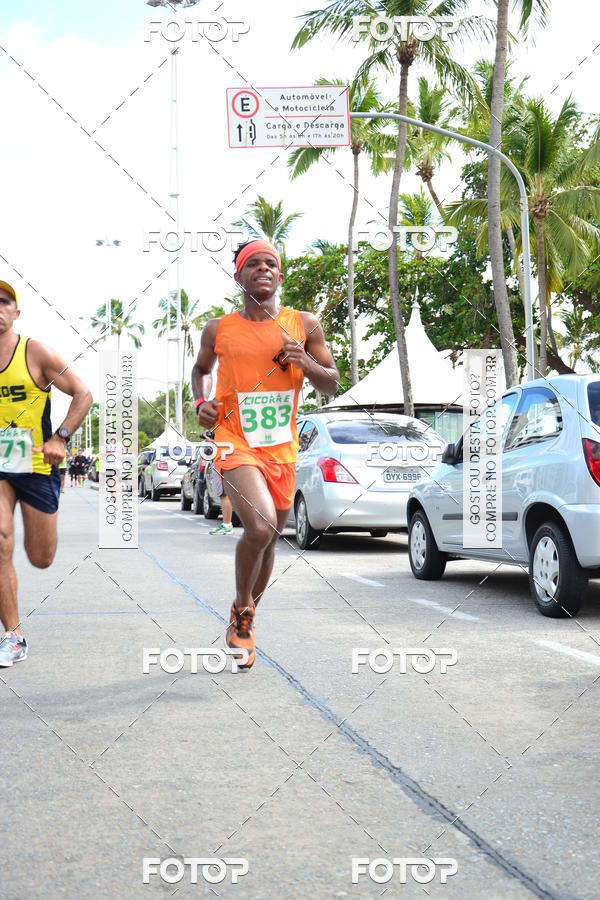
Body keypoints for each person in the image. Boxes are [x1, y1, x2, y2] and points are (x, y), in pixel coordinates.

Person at [191, 240, 338, 669]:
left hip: (281, 447)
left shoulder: (304, 324)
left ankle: (248, 612)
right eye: (252, 264)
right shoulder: (218, 329)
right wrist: (201, 404)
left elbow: (331, 382)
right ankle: (241, 610)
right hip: (233, 439)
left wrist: (306, 363)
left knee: (270, 535)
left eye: (270, 263)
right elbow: (200, 372)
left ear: (281, 276)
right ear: (239, 276)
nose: (263, 269)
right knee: (259, 525)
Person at [0, 280, 93, 666]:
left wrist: (61, 437)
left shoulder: (34, 352)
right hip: (1, 466)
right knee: (0, 537)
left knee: (40, 557)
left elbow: (83, 393)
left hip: (38, 464)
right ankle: (13, 634)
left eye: (4, 302)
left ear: (16, 313)